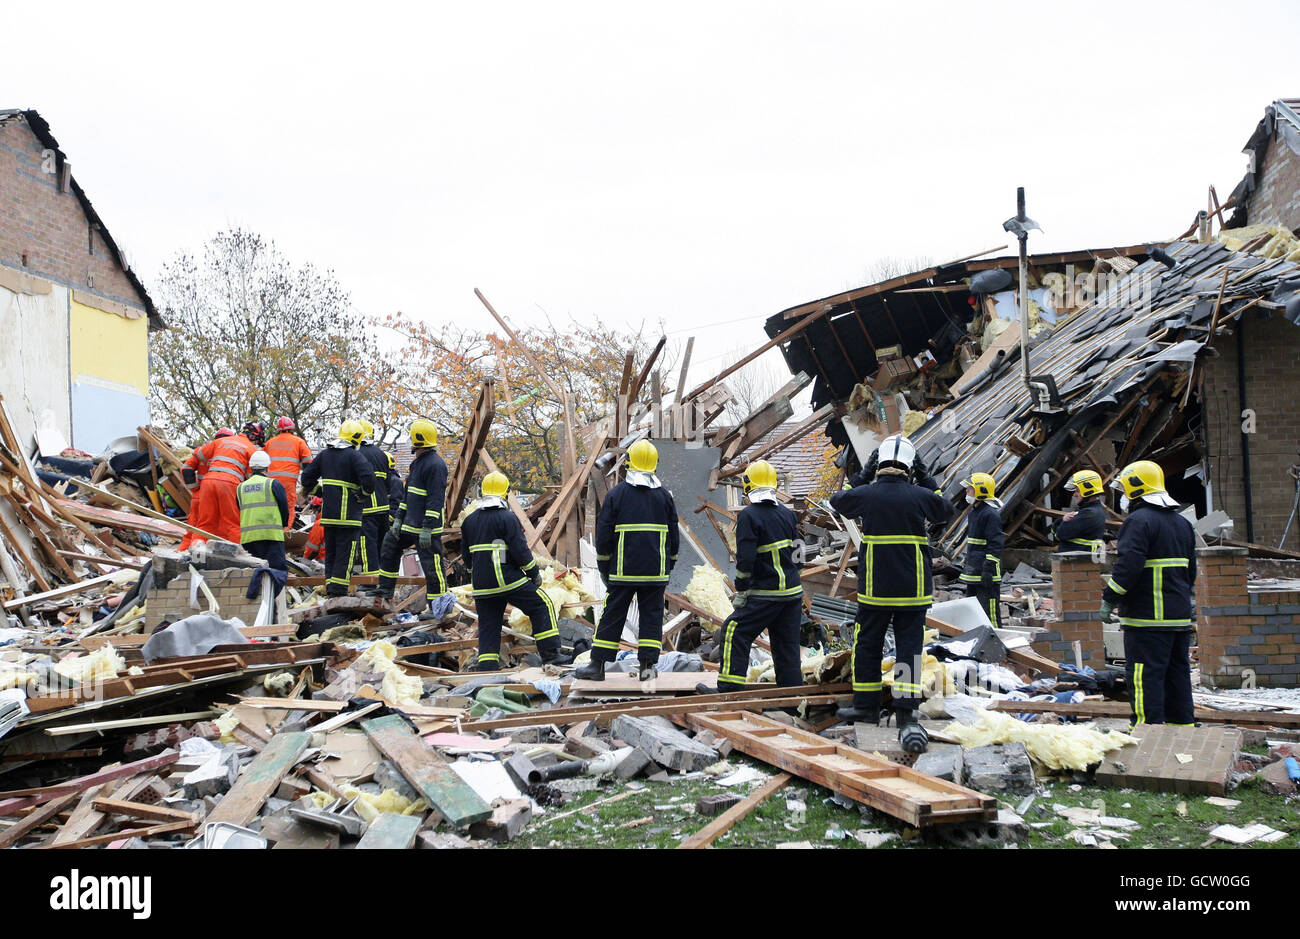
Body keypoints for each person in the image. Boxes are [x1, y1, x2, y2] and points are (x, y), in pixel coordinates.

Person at [829, 434, 953, 753]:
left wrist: (862, 473)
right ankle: (906, 714)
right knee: (908, 650)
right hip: (912, 591)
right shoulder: (920, 495)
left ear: (879, 464)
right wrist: (926, 476)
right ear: (911, 467)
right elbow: (945, 508)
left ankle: (866, 707)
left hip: (876, 589)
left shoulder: (867, 494)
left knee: (867, 646)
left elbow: (838, 500)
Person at [1101, 460, 1196, 730]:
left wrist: (1110, 598)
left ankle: (1146, 730)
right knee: (1178, 673)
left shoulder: (1138, 521)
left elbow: (1128, 567)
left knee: (1145, 675)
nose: (1122, 497)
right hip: (1178, 617)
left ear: (1135, 488)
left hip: (1146, 618)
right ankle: (1183, 729)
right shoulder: (1182, 524)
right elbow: (1192, 572)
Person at [576, 439, 679, 683]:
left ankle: (597, 666)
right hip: (655, 573)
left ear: (628, 463)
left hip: (622, 572)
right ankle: (647, 669)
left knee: (613, 615)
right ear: (654, 465)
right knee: (652, 617)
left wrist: (604, 568)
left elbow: (604, 536)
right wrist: (669, 564)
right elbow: (673, 537)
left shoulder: (617, 495)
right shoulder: (664, 497)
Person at [711, 460, 802, 693]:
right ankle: (791, 700)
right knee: (787, 647)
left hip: (765, 593)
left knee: (734, 630)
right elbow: (799, 551)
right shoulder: (787, 514)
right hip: (792, 594)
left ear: (747, 487)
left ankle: (729, 691)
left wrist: (741, 589)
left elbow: (745, 559)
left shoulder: (749, 516)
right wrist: (793, 576)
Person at [461, 471, 563, 670]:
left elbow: (467, 558)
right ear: (505, 493)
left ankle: (487, 669)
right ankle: (551, 655)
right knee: (542, 604)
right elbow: (520, 550)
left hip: (481, 585)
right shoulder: (507, 517)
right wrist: (533, 573)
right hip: (507, 580)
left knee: (489, 625)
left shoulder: (469, 522)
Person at [374, 419, 447, 608]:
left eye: (411, 436)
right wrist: (398, 519)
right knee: (390, 544)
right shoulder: (417, 464)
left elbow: (435, 499)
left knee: (432, 566)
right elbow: (408, 495)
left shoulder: (436, 465)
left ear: (418, 439)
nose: (409, 439)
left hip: (425, 527)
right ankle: (385, 590)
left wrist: (428, 527)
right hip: (409, 523)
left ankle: (437, 606)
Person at [300, 421, 375, 597]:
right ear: (356, 438)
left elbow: (306, 478)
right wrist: (363, 494)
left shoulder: (325, 455)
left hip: (329, 516)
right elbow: (369, 480)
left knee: (331, 555)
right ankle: (339, 592)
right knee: (345, 556)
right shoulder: (354, 456)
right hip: (348, 517)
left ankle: (330, 588)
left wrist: (321, 491)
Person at [184, 426, 256, 544]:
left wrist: (195, 489)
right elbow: (249, 476)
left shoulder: (219, 442)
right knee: (233, 524)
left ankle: (197, 556)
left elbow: (197, 456)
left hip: (207, 484)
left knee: (204, 524)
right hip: (229, 484)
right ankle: (238, 558)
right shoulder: (251, 448)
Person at [959, 471, 1004, 629]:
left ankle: (997, 641)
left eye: (970, 488)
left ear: (980, 491)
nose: (966, 491)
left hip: (987, 573)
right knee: (973, 611)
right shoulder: (975, 512)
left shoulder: (990, 514)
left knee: (990, 612)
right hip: (974, 572)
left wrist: (988, 569)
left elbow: (996, 543)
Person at [179, 427, 234, 550]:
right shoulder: (229, 454)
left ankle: (184, 555)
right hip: (219, 496)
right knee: (219, 532)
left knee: (192, 531)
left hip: (200, 496)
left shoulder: (203, 451)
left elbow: (186, 469)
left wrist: (195, 489)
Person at [237, 450, 289, 574]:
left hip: (248, 539)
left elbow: (240, 508)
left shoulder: (240, 487)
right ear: (267, 467)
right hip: (271, 536)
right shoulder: (273, 484)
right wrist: (283, 524)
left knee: (253, 573)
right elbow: (284, 509)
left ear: (251, 467)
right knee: (276, 572)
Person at [354, 419, 391, 576]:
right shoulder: (382, 455)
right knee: (382, 546)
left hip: (366, 509)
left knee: (367, 545)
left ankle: (370, 581)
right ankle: (384, 577)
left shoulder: (356, 455)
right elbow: (388, 483)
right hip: (383, 509)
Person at [264, 416, 312, 527]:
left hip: (270, 482)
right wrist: (307, 483)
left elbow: (262, 462)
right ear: (292, 429)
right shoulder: (299, 442)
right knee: (289, 507)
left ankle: (270, 530)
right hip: (288, 481)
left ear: (278, 430)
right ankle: (286, 532)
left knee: (271, 506)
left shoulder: (269, 443)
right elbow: (308, 463)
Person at [1053, 469, 1107, 553]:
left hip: (1077, 562)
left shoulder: (1088, 513)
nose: (1074, 494)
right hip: (1080, 560)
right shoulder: (1093, 511)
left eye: (1077, 491)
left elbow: (1061, 534)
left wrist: (1062, 521)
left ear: (1088, 491)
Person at [303, 496, 325, 561]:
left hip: (324, 563)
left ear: (318, 509)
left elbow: (311, 549)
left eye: (313, 510)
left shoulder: (319, 524)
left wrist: (304, 560)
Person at [386, 452, 405, 525]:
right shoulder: (387, 479)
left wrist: (388, 520)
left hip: (391, 523)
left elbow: (396, 504)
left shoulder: (394, 481)